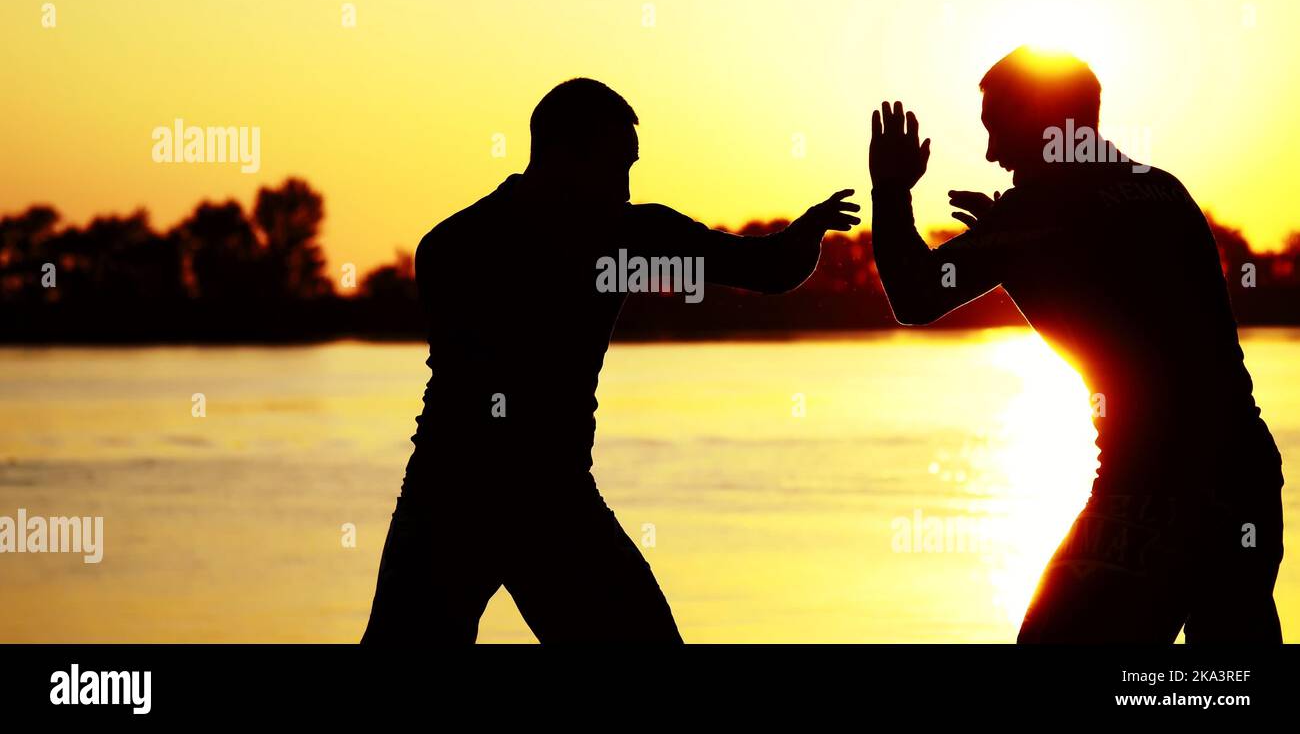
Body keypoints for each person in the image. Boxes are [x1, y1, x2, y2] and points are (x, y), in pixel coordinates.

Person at [361, 77, 859, 643]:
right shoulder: (620, 236)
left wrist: (803, 233)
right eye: (617, 164)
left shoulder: (449, 243)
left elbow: (765, 268)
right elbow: (769, 270)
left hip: (453, 494)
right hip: (533, 501)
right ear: (565, 153)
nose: (626, 186)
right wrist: (808, 233)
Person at [868, 46, 1284, 643]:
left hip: (1151, 493)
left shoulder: (1040, 209)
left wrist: (891, 190)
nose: (992, 154)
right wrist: (1019, 254)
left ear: (1044, 122)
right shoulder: (1164, 190)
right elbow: (1130, 315)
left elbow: (913, 296)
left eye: (998, 130)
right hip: (1246, 480)